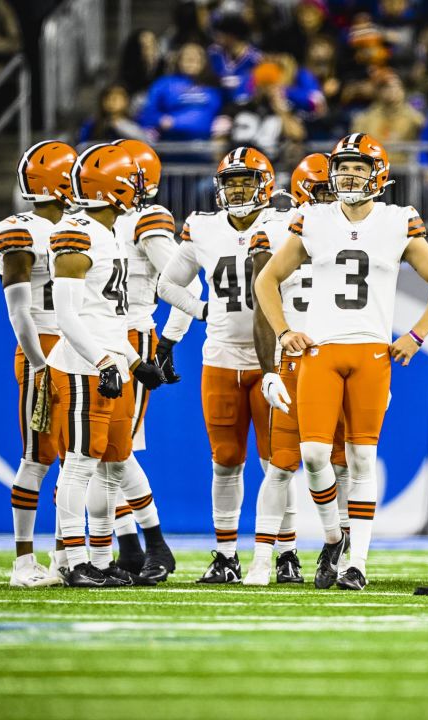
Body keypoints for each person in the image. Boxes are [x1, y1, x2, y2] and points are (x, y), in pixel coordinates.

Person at [253, 134, 428, 590]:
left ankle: (357, 563)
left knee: (362, 460)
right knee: (311, 456)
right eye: (343, 166)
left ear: (378, 174)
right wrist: (285, 332)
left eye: (358, 168)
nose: (348, 175)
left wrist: (417, 334)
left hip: (370, 352)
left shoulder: (398, 220)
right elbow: (267, 279)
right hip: (320, 351)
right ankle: (332, 537)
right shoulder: (313, 218)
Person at [156, 147, 288, 584]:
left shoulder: (284, 223)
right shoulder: (204, 228)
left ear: (264, 185)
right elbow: (167, 283)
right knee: (226, 461)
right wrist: (199, 311)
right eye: (230, 182)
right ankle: (226, 555)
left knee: (277, 463)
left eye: (246, 181)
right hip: (221, 357)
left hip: (273, 359)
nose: (237, 189)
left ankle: (284, 552)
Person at [46, 143, 162, 588]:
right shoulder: (75, 233)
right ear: (111, 187)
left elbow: (106, 316)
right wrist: (102, 362)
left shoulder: (106, 231)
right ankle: (75, 562)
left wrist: (134, 361)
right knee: (79, 463)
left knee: (115, 460)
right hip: (81, 367)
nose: (137, 190)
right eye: (130, 181)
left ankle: (99, 558)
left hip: (108, 360)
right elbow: (67, 316)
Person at [247, 153, 351, 586]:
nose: (335, 197)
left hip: (343, 353)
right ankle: (261, 558)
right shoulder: (274, 229)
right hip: (294, 357)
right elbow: (261, 304)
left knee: (346, 462)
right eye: (326, 189)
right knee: (281, 463)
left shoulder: (357, 226)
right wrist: (268, 367)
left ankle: (344, 555)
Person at [106, 138, 197, 584]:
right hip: (97, 334)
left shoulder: (146, 219)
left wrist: (167, 343)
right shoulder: (93, 221)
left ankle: (154, 544)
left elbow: (184, 286)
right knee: (94, 452)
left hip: (130, 335)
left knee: (116, 450)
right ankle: (128, 549)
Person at [0, 140, 76, 588]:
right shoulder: (20, 231)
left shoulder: (81, 225)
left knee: (76, 458)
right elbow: (18, 310)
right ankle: (23, 561)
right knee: (37, 456)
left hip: (78, 344)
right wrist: (40, 362)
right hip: (43, 345)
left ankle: (64, 555)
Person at [138, 43, 224, 144]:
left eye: (197, 56)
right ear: (179, 61)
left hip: (205, 146)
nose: (192, 59)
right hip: (171, 145)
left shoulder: (214, 86)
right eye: (187, 56)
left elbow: (222, 113)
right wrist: (160, 120)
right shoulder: (164, 83)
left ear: (204, 62)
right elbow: (147, 113)